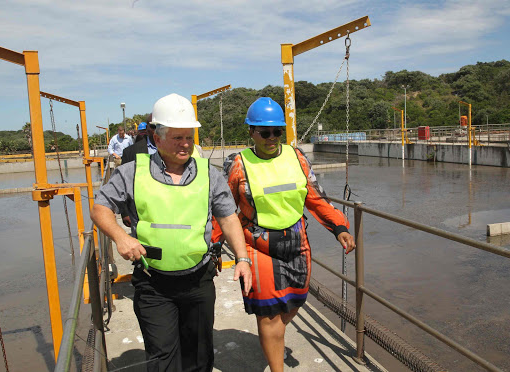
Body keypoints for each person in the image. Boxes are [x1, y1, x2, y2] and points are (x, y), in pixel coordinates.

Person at [91, 93, 252, 372]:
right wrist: (121, 236)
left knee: (199, 358)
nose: (185, 144)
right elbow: (100, 208)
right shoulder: (132, 172)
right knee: (163, 358)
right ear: (157, 137)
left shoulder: (209, 174)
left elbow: (227, 218)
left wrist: (242, 258)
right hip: (154, 284)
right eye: (177, 137)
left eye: (189, 137)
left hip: (198, 280)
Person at [212, 97, 356, 372]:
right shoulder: (239, 164)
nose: (272, 138)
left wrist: (340, 227)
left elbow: (315, 198)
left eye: (278, 131)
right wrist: (214, 244)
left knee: (296, 300)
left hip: (297, 242)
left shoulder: (297, 157)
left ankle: (272, 335)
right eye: (264, 132)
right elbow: (224, 208)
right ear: (251, 132)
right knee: (268, 315)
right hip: (258, 245)